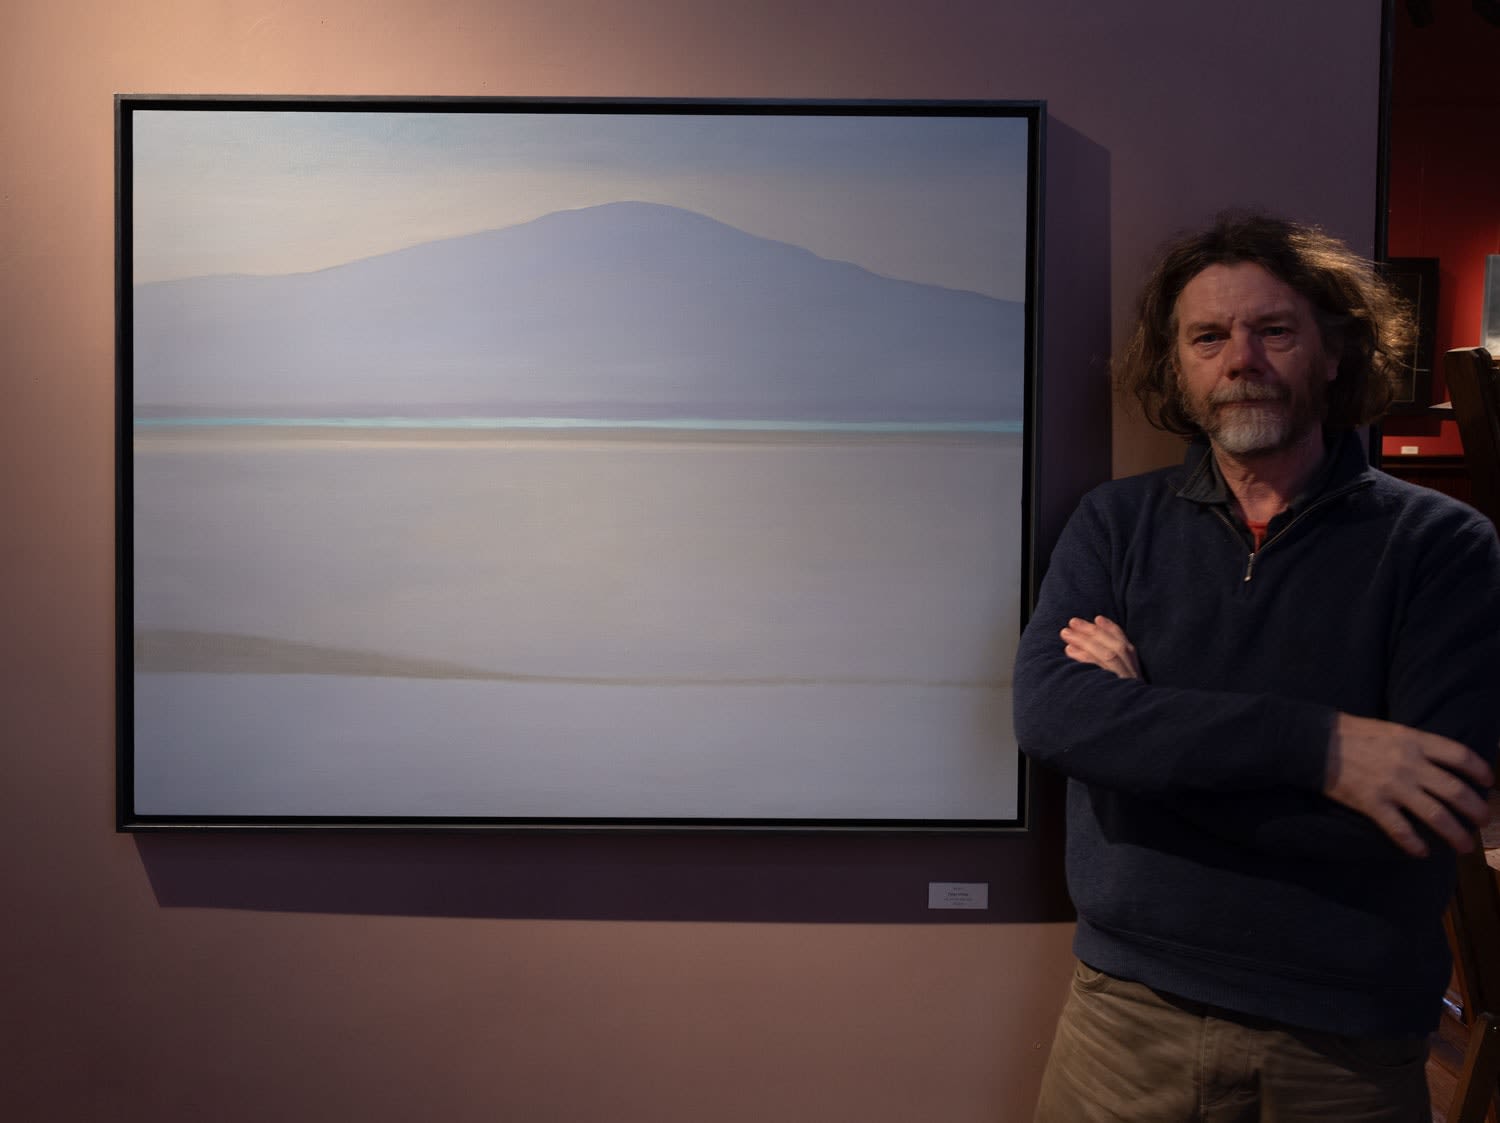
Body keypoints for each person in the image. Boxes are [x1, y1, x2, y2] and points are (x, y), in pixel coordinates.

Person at [1013, 211, 1500, 1122]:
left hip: (1342, 1043)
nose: (1241, 359)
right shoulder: (1115, 524)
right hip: (1125, 1019)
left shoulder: (1443, 547)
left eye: (1274, 330)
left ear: (1332, 352)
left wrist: (1142, 745)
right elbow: (1051, 716)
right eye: (1208, 337)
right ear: (1177, 368)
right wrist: (1322, 749)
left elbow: (1424, 814)